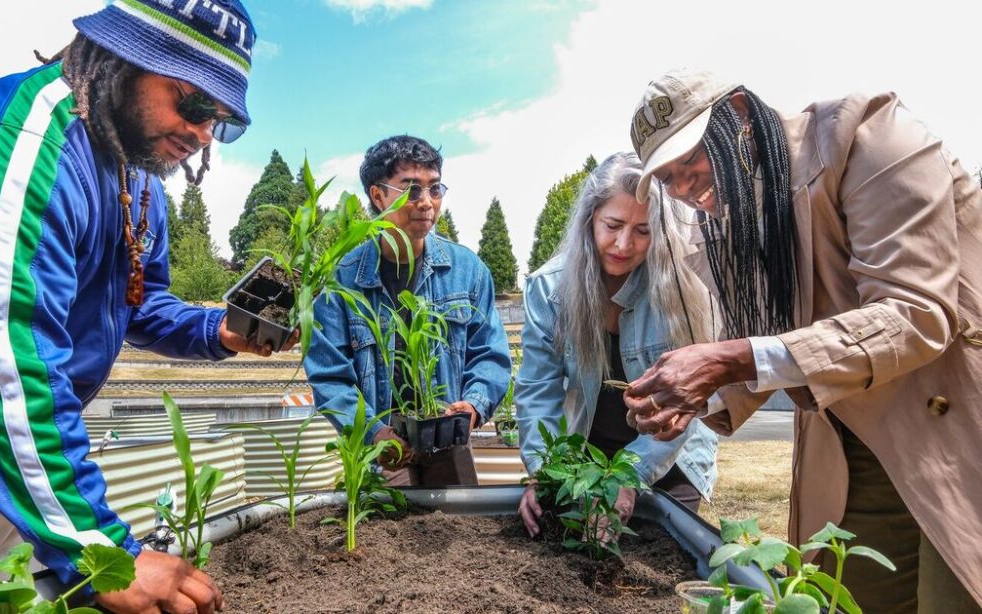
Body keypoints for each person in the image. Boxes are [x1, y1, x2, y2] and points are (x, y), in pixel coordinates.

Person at [0, 2, 289, 612]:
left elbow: (137, 303)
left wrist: (218, 331)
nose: (202, 132)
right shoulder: (18, 147)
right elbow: (7, 363)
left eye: (222, 121)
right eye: (195, 102)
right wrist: (99, 548)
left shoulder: (134, 178)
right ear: (125, 57)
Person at [623, 68, 982, 612]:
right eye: (666, 178)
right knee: (853, 597)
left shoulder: (869, 138)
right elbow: (771, 341)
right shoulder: (739, 217)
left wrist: (729, 359)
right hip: (853, 439)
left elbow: (916, 314)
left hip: (952, 433)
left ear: (740, 116)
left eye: (689, 160)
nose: (683, 189)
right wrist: (701, 399)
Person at [515, 152, 718, 537]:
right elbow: (537, 391)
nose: (624, 244)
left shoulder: (683, 288)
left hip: (669, 456)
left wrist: (630, 476)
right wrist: (544, 471)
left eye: (643, 230)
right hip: (585, 454)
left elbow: (684, 404)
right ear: (589, 219)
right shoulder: (549, 289)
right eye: (613, 225)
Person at [304, 135, 511, 486]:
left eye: (435, 189)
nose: (426, 203)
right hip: (381, 450)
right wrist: (372, 432)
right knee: (380, 536)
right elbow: (330, 374)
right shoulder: (341, 280)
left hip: (449, 446)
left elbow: (490, 354)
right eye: (411, 190)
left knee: (461, 533)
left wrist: (474, 405)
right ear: (378, 195)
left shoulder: (467, 270)